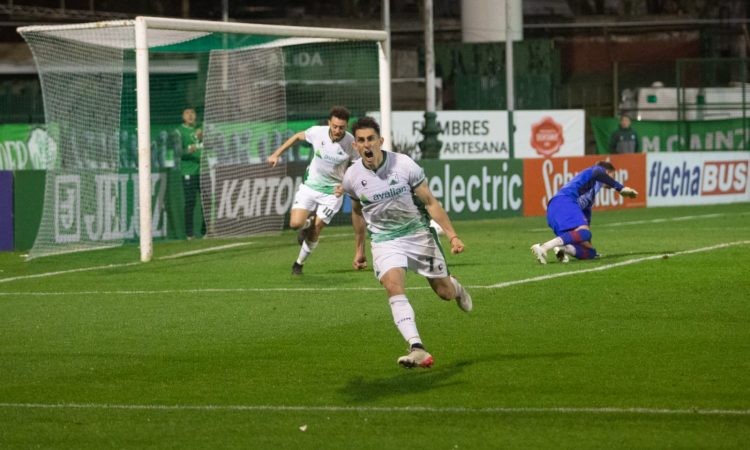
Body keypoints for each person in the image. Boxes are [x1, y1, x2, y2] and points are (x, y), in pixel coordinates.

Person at [341, 116, 472, 369]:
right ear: (355, 146)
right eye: (360, 140)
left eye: (370, 139)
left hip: (417, 234)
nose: (366, 145)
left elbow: (431, 203)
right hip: (384, 239)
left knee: (443, 292)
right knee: (392, 285)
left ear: (380, 141)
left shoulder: (404, 165)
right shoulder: (352, 177)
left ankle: (457, 288)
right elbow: (357, 212)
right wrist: (359, 249)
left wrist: (452, 235)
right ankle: (417, 347)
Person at [267, 106, 357, 275]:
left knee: (316, 230)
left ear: (346, 126)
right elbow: (296, 136)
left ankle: (298, 264)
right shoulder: (317, 132)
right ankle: (306, 224)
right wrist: (276, 154)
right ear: (329, 122)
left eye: (342, 127)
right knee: (294, 224)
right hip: (310, 186)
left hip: (332, 192)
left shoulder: (351, 143)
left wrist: (345, 185)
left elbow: (357, 167)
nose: (338, 130)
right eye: (335, 126)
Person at [531, 161, 638, 264]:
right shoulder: (595, 172)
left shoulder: (590, 197)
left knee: (590, 252)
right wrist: (620, 188)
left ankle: (563, 248)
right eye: (612, 175)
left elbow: (585, 223)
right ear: (607, 172)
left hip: (554, 211)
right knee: (585, 233)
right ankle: (544, 247)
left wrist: (589, 245)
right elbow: (598, 172)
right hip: (563, 201)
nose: (612, 179)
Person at [175, 107, 206, 240]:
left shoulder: (200, 129)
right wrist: (190, 150)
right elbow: (178, 152)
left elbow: (211, 145)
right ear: (183, 116)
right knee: (190, 202)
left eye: (192, 112)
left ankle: (205, 231)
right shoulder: (179, 131)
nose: (190, 115)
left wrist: (203, 137)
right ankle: (189, 234)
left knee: (206, 201)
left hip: (203, 170)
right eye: (187, 113)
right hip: (188, 171)